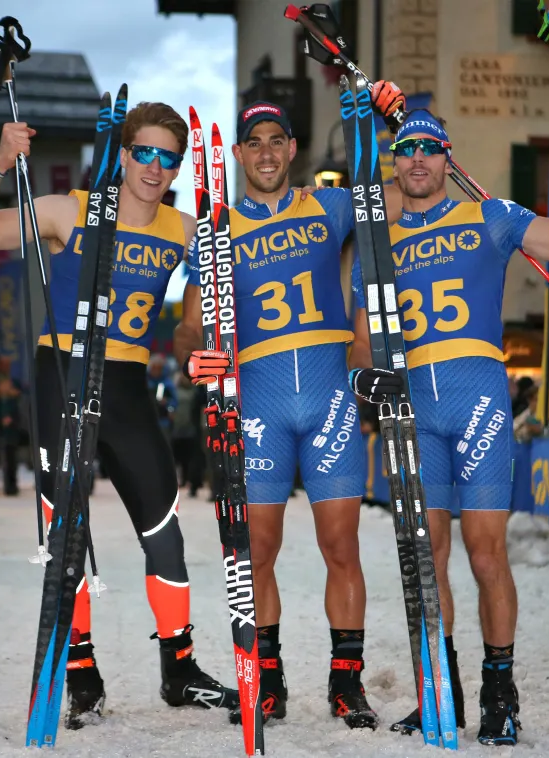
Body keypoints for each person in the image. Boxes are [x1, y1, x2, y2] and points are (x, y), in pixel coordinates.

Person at [0, 101, 237, 725]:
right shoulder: (71, 209)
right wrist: (0, 163)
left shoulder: (184, 228)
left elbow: (224, 279)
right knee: (67, 537)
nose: (156, 167)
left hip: (129, 386)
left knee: (165, 529)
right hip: (66, 377)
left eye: (170, 157)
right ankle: (81, 673)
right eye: (146, 153)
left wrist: (200, 332)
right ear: (125, 153)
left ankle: (179, 669)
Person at [345, 95, 549, 745]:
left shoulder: (490, 216)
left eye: (428, 149)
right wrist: (364, 381)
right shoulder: (376, 240)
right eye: (404, 149)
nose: (416, 159)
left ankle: (500, 692)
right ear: (392, 160)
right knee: (425, 560)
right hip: (413, 409)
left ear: (445, 159)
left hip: (479, 397)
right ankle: (439, 690)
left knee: (486, 552)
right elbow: (357, 338)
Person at [174, 93, 404, 730]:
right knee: (259, 551)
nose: (267, 152)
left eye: (278, 141)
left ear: (293, 150)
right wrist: (198, 356)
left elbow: (398, 183)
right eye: (255, 143)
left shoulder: (327, 207)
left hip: (330, 401)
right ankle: (267, 681)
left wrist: (383, 114)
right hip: (259, 407)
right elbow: (190, 326)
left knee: (341, 547)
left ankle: (345, 684)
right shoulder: (216, 231)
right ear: (240, 154)